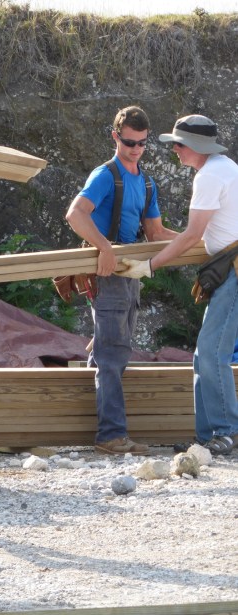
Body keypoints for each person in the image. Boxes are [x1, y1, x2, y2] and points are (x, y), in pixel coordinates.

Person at [118, 114, 238, 456]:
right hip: (228, 265)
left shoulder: (211, 175)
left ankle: (226, 432)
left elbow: (192, 236)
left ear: (196, 147)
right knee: (205, 353)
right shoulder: (222, 167)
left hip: (233, 269)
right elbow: (206, 235)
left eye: (179, 145)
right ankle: (206, 438)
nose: (175, 151)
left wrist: (150, 266)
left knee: (213, 352)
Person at [65, 106, 178, 456]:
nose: (136, 149)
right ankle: (111, 435)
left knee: (111, 349)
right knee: (112, 354)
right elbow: (75, 214)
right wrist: (104, 247)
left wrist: (199, 242)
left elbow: (155, 232)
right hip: (109, 273)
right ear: (115, 136)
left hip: (131, 273)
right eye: (129, 142)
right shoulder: (104, 175)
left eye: (142, 143)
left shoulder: (146, 181)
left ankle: (80, 423)